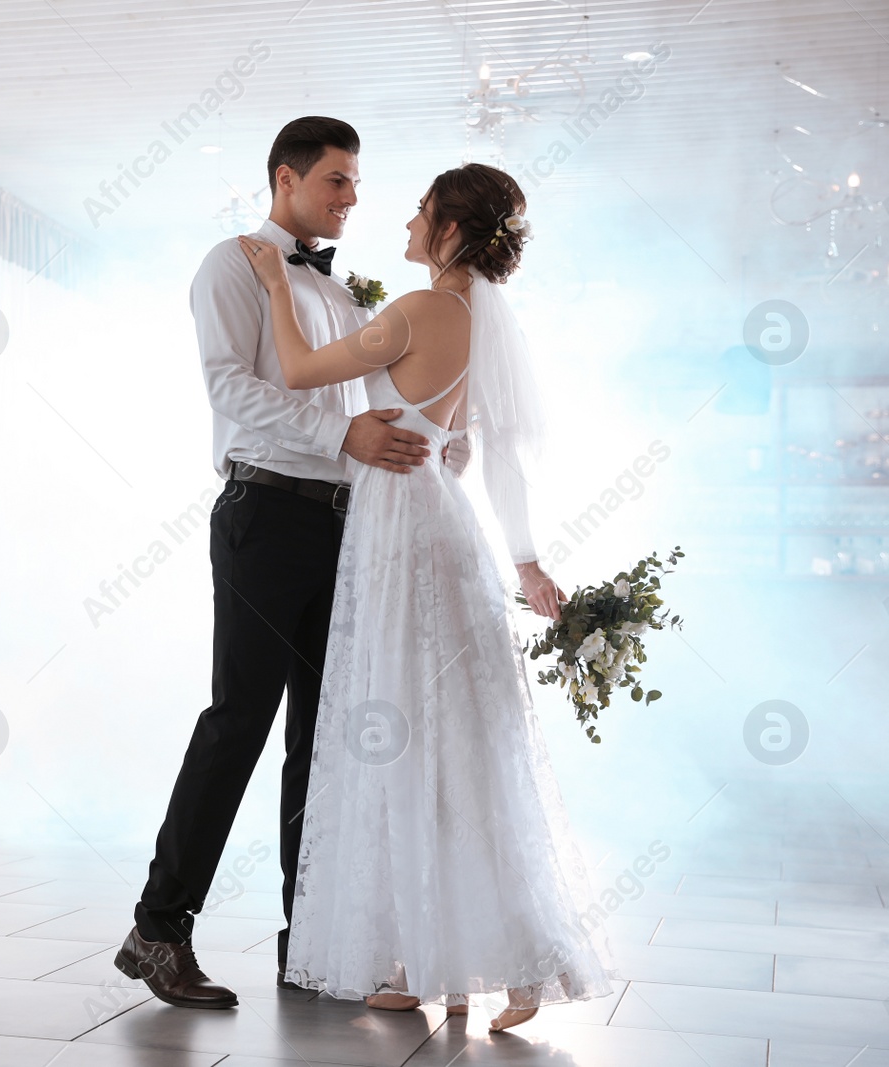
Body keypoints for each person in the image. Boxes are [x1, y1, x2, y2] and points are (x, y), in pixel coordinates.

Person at [237, 163, 613, 1030]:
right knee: (448, 743)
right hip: (444, 534)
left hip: (402, 537)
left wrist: (271, 283)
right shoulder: (480, 323)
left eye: (420, 208)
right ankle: (447, 958)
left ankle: (447, 956)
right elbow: (489, 455)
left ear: (449, 228)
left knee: (403, 733)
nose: (404, 218)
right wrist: (525, 563)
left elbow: (296, 370)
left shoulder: (417, 312)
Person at [114, 117, 471, 1009]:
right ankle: (159, 930)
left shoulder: (340, 285)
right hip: (264, 513)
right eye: (337, 182)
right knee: (240, 721)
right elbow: (230, 386)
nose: (352, 199)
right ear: (287, 179)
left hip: (344, 522)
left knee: (321, 739)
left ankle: (306, 944)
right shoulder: (231, 265)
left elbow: (361, 388)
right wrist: (342, 431)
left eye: (356, 183)